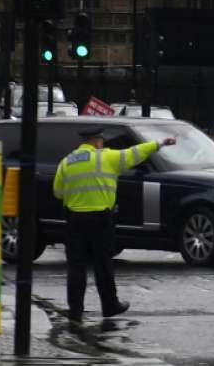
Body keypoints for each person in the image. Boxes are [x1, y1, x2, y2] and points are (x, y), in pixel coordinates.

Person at [53, 126, 177, 322]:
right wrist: (160, 143)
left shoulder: (67, 162)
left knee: (76, 267)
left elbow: (58, 192)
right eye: (101, 140)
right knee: (103, 264)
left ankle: (75, 310)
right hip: (101, 220)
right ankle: (109, 305)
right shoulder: (106, 158)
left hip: (75, 220)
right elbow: (136, 153)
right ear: (96, 141)